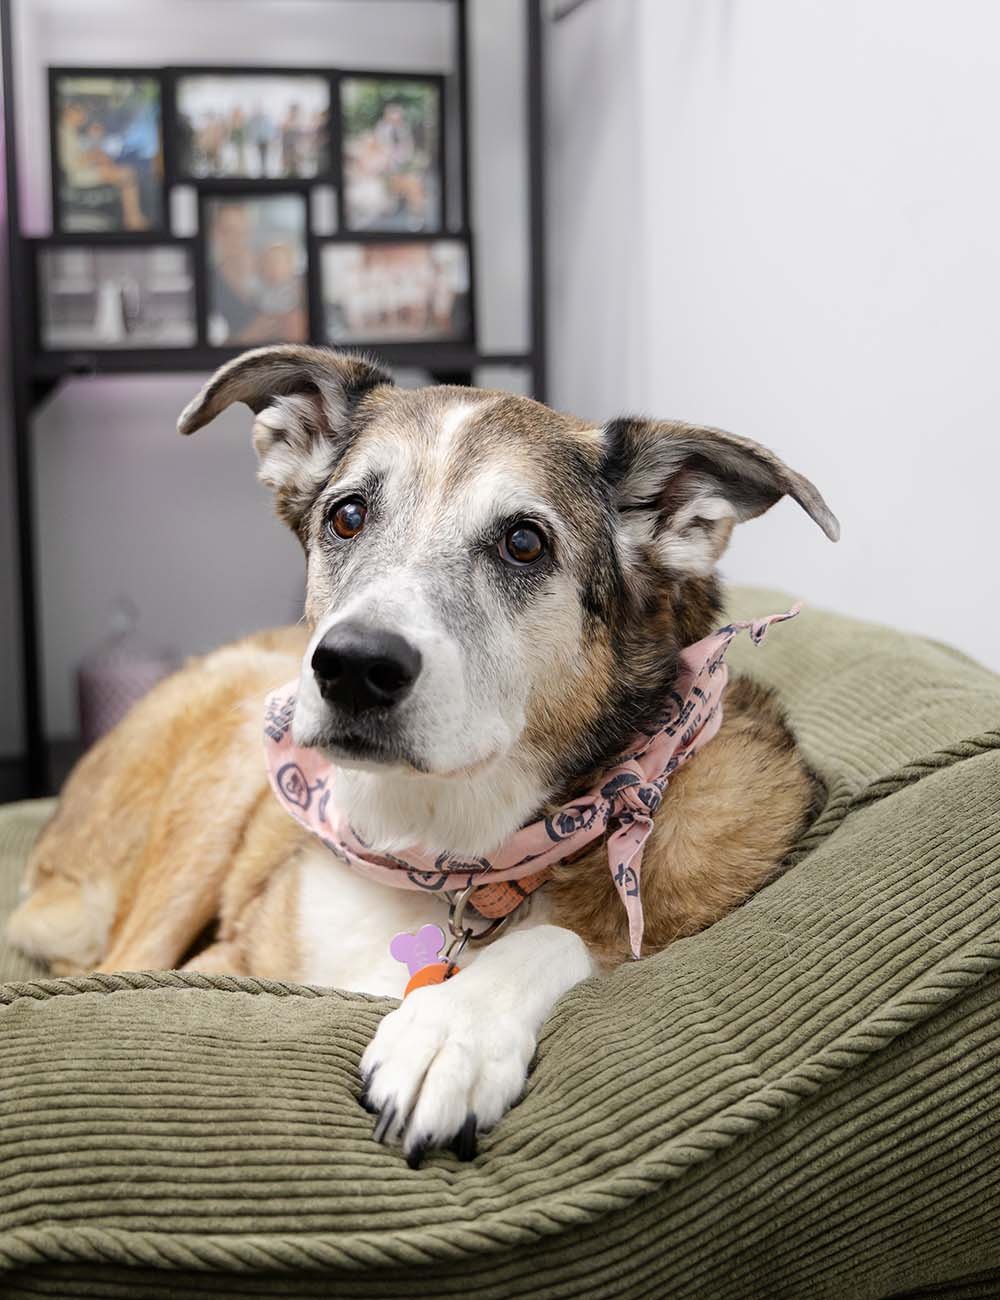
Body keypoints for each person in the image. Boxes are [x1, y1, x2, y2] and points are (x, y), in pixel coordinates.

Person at [58, 100, 149, 230]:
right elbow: (72, 165)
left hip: (81, 171)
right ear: (70, 112)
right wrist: (94, 156)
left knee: (125, 171)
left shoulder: (68, 130)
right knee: (126, 175)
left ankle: (131, 216)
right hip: (78, 176)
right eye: (81, 114)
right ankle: (132, 219)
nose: (83, 118)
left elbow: (76, 158)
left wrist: (96, 157)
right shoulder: (63, 132)